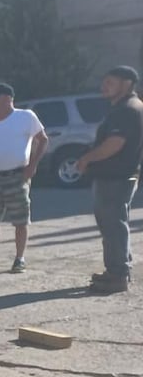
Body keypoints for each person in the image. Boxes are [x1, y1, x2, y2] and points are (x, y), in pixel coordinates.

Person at [75, 65, 143, 294]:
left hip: (115, 178)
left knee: (113, 225)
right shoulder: (130, 107)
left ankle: (118, 274)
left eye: (110, 82)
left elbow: (115, 143)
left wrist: (86, 159)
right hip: (121, 176)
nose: (103, 86)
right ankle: (116, 270)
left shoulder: (126, 110)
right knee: (114, 224)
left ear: (126, 84)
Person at [0, 83, 48, 274]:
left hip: (17, 175)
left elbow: (43, 139)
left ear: (6, 99)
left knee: (20, 220)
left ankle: (19, 259)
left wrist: (32, 165)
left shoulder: (25, 117)